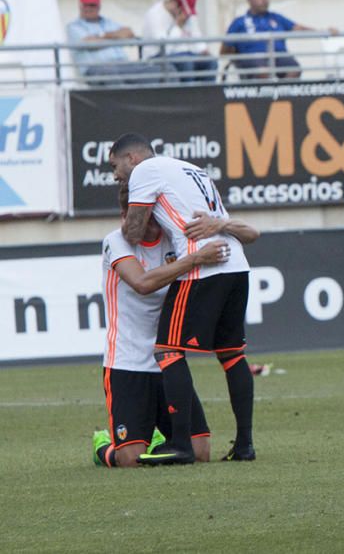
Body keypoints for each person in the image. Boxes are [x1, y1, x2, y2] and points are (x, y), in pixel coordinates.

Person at [108, 133, 258, 464]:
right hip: (236, 264)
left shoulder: (146, 171)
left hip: (203, 266)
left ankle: (180, 444)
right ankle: (245, 445)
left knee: (167, 350)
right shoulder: (192, 169)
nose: (115, 175)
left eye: (115, 165)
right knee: (232, 354)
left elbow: (132, 232)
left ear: (132, 158)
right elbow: (236, 227)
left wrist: (139, 216)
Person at [93, 185, 227, 468]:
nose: (140, 223)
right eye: (132, 216)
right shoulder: (116, 241)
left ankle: (154, 437)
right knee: (130, 459)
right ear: (125, 215)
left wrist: (221, 223)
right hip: (127, 363)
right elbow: (142, 283)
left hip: (169, 362)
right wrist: (195, 259)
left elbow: (251, 235)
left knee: (200, 452)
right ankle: (104, 445)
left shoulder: (174, 241)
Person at [221, 0, 316, 80]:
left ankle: (281, 94)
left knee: (294, 70)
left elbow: (298, 28)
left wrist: (324, 31)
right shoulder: (239, 22)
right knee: (263, 72)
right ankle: (267, 94)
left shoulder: (276, 17)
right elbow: (225, 50)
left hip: (279, 56)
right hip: (254, 58)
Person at [66, 0, 160, 86]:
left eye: (92, 5)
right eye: (85, 5)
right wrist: (115, 36)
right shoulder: (74, 27)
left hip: (123, 64)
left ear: (99, 7)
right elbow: (90, 43)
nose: (88, 8)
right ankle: (127, 100)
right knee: (109, 74)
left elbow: (129, 33)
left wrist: (102, 36)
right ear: (80, 6)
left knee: (161, 68)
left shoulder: (108, 22)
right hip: (98, 68)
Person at [142, 0, 218, 82]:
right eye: (183, 11)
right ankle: (188, 96)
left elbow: (196, 37)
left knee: (210, 62)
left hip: (186, 54)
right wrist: (178, 26)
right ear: (174, 3)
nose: (186, 16)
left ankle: (207, 96)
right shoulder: (154, 14)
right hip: (157, 56)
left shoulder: (188, 16)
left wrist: (203, 50)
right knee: (186, 62)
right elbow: (165, 48)